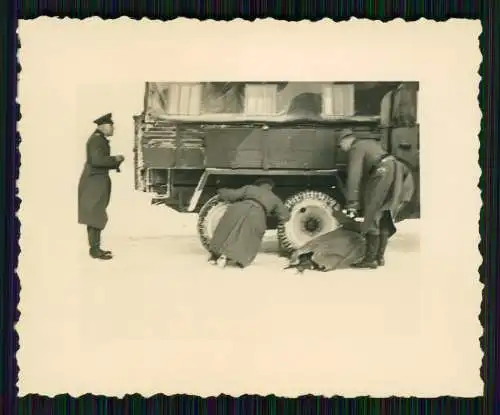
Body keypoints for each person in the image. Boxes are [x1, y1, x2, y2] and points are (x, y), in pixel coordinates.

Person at [338, 128, 415, 269]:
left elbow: (354, 175)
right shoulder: (369, 143)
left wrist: (352, 204)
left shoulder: (356, 148)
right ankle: (379, 257)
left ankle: (370, 259)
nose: (342, 149)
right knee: (384, 214)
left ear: (347, 140)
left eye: (341, 145)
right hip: (396, 168)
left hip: (382, 172)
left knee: (372, 213)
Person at [208, 178, 291, 268]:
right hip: (258, 214)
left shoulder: (249, 188)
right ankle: (239, 259)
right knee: (249, 238)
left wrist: (221, 191)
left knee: (225, 230)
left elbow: (233, 195)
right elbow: (285, 216)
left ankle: (215, 256)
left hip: (239, 208)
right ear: (270, 187)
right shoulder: (275, 198)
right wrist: (272, 212)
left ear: (257, 184)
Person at [77, 113, 125, 260]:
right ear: (103, 126)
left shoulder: (98, 140)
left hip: (96, 180)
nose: (113, 128)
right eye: (111, 126)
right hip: (95, 181)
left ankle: (95, 248)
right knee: (95, 215)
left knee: (96, 214)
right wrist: (115, 159)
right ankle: (95, 250)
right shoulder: (97, 141)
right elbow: (97, 160)